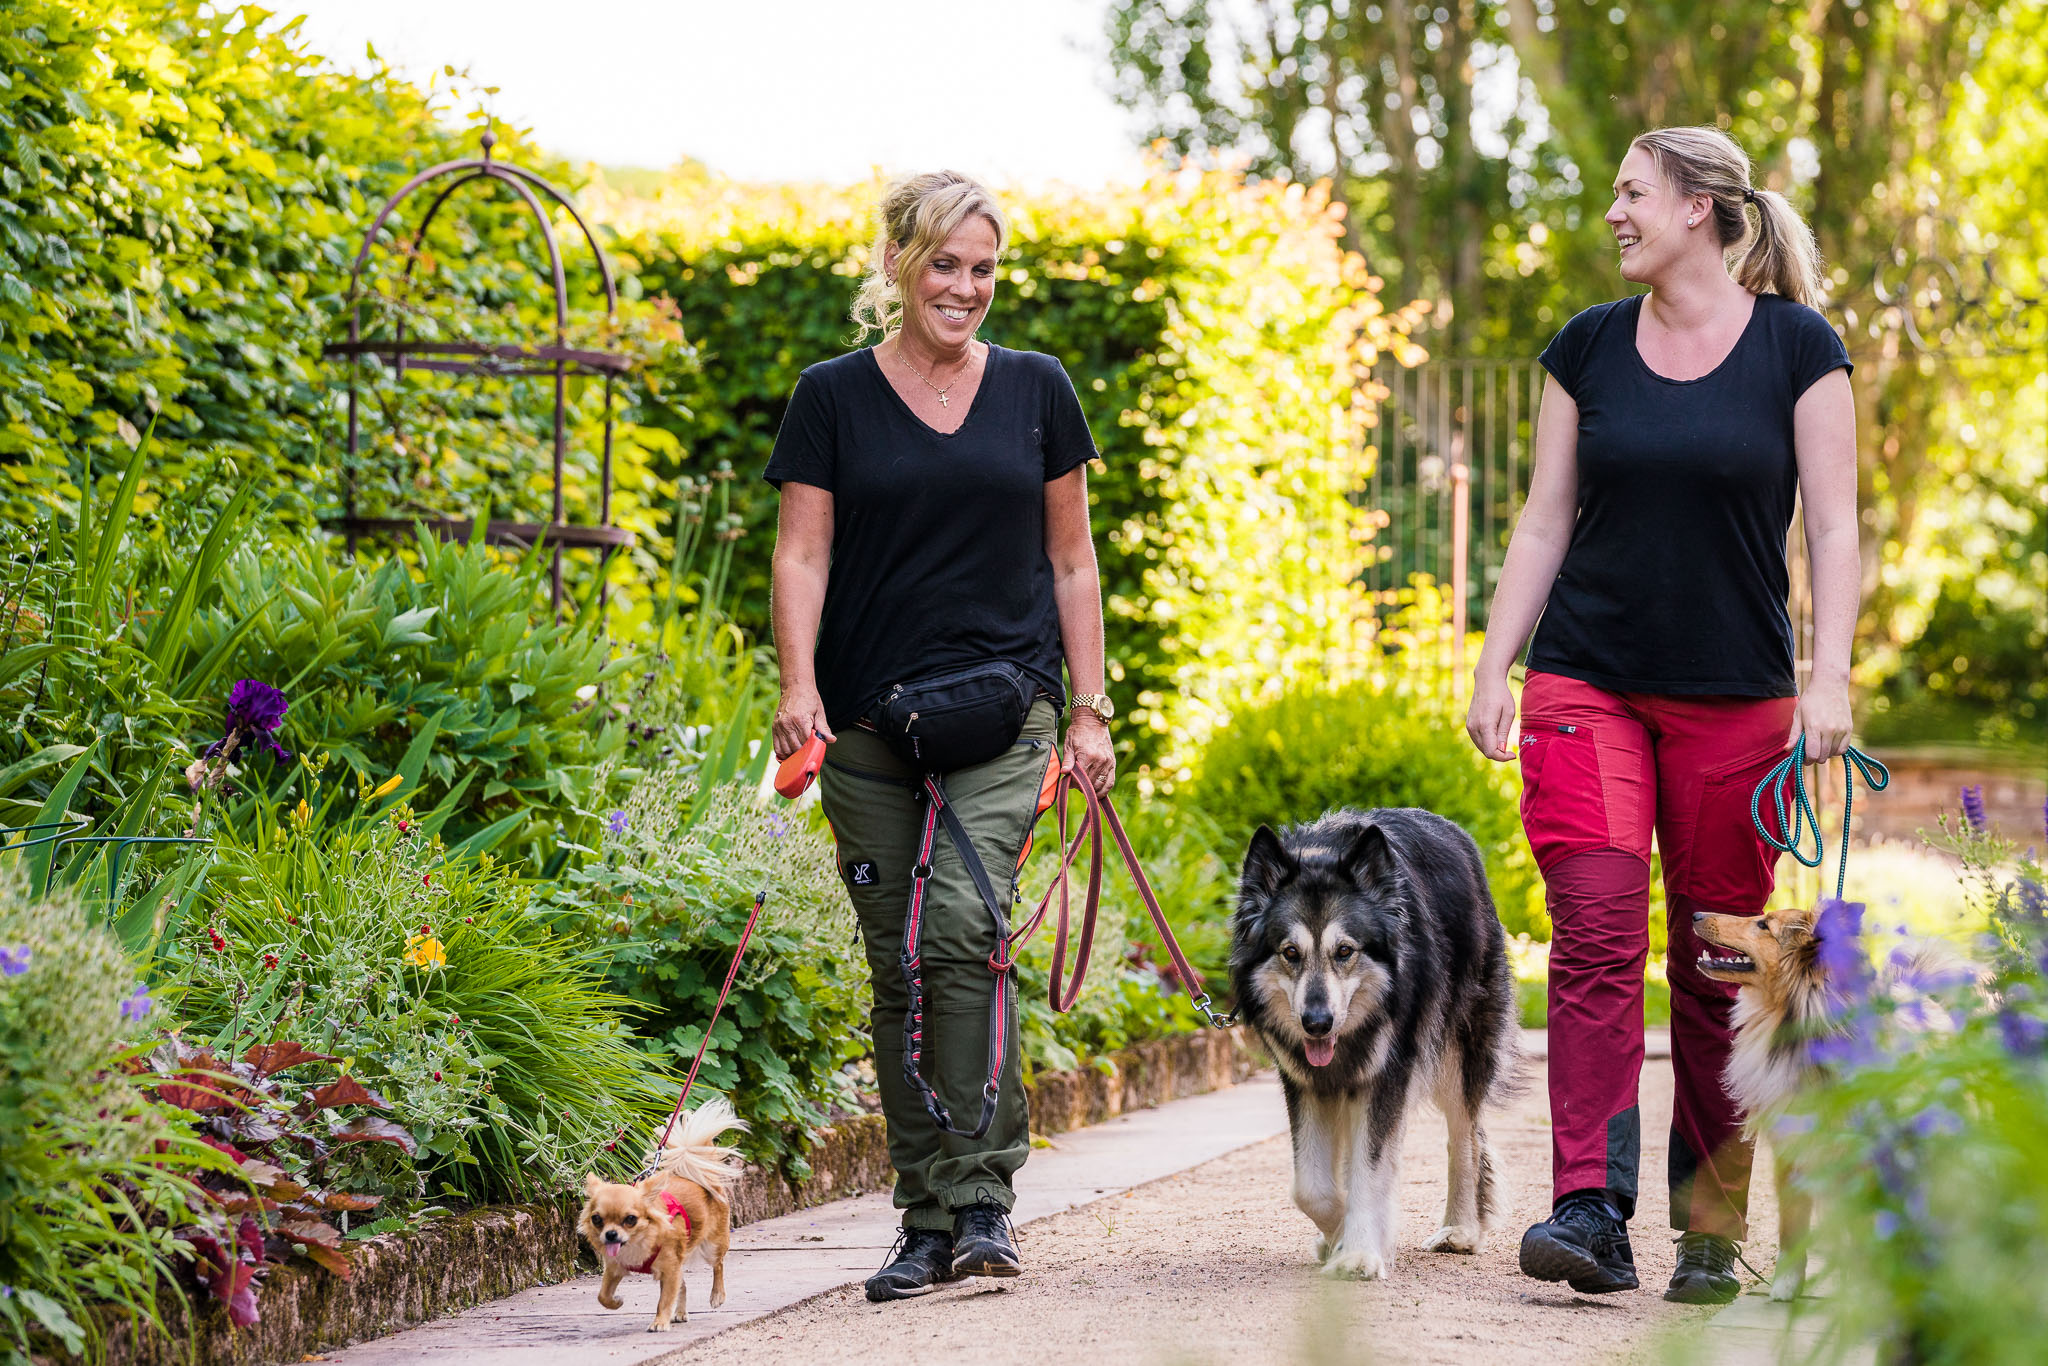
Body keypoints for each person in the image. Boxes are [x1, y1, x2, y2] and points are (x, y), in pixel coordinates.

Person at [1463, 126, 1859, 1305]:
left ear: (1698, 207)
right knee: (1590, 929)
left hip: (1735, 696)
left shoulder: (1797, 347)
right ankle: (1586, 1206)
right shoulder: (1583, 347)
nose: (1614, 213)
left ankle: (1704, 1226)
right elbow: (1542, 519)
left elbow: (1834, 529)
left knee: (1706, 956)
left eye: (1630, 192)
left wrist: (1825, 673)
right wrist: (1496, 664)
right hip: (1584, 678)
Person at [765, 171, 1116, 1303]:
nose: (964, 288)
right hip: (867, 722)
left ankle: (982, 1198)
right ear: (897, 268)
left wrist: (1093, 707)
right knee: (897, 958)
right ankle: (925, 1218)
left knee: (962, 928)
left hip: (1004, 710)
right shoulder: (829, 396)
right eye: (943, 266)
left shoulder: (1036, 390)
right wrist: (798, 685)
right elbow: (801, 556)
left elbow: (1071, 559)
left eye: (982, 268)